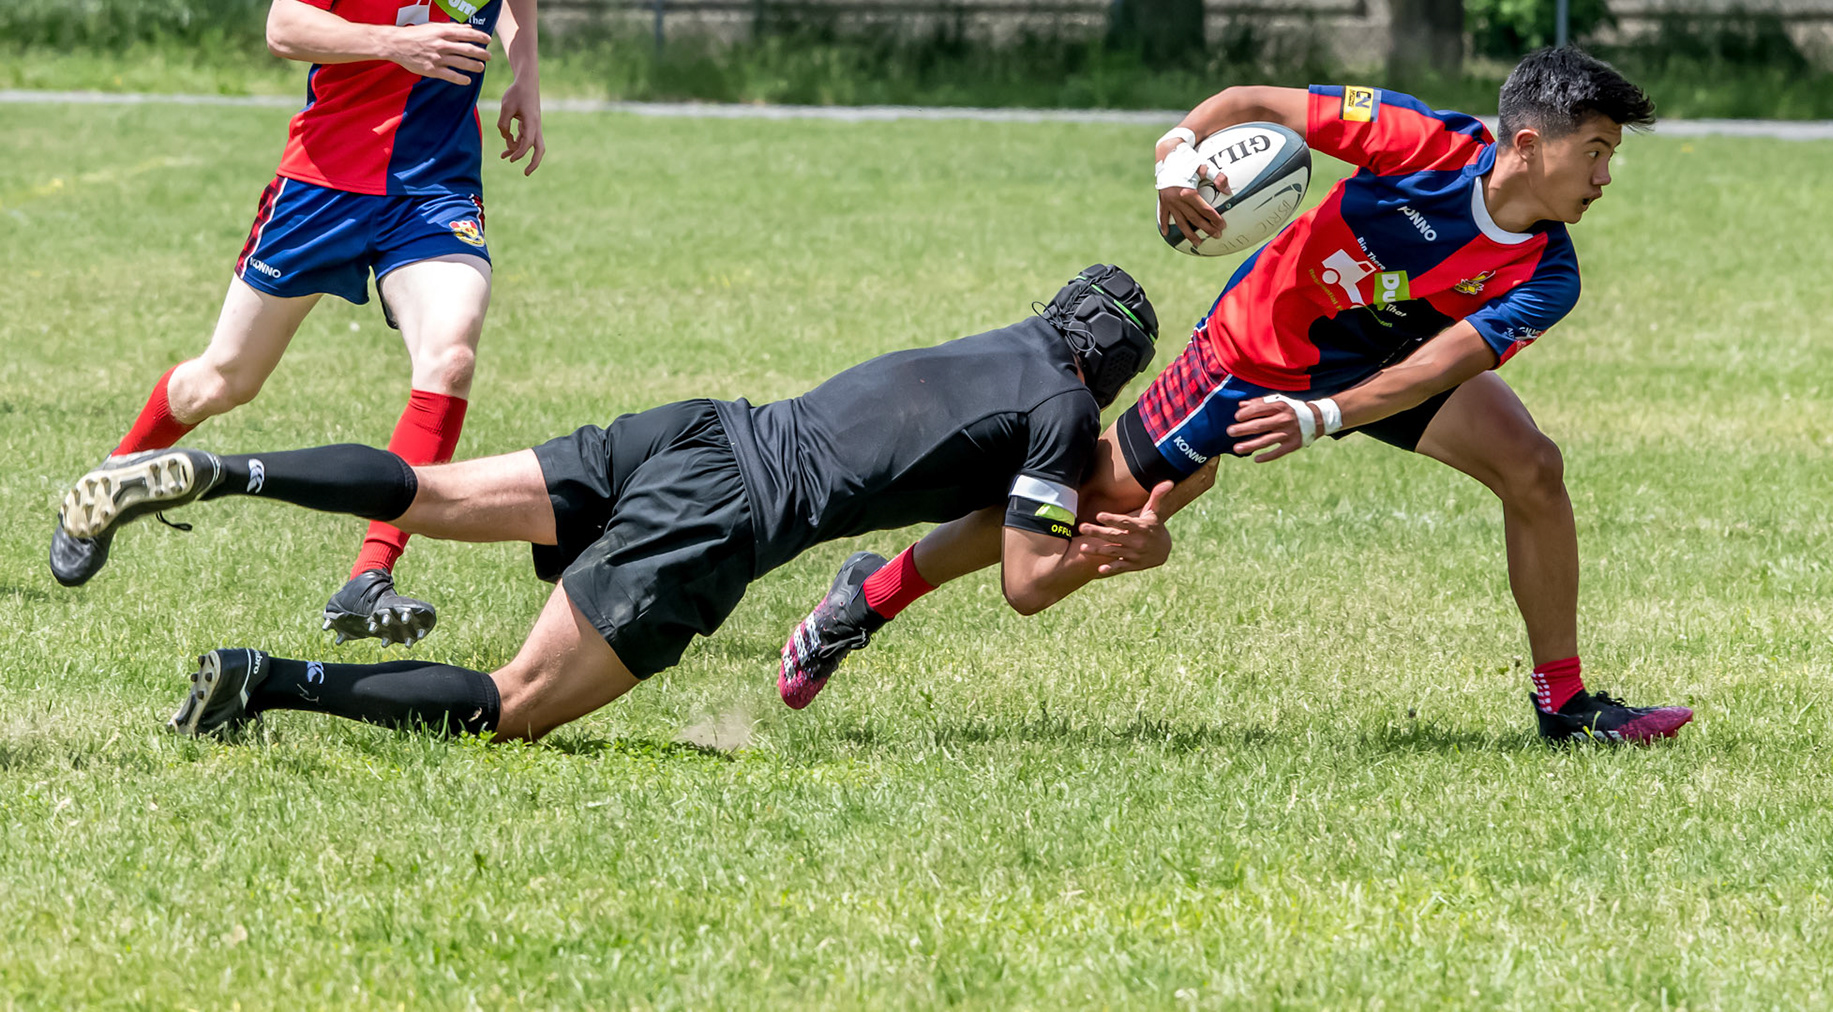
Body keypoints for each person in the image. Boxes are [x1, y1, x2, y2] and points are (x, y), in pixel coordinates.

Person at [780, 48, 1695, 745]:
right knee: (1102, 497)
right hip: (1258, 348)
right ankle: (871, 595)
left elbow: (1443, 364)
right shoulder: (1419, 143)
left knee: (1534, 469)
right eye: (1598, 152)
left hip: (1388, 358)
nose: (1606, 177)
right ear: (1529, 146)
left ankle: (1565, 703)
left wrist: (1326, 415)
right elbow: (1252, 104)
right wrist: (1177, 151)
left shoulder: (1548, 270)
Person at [55, 268, 1181, 741]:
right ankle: (268, 683)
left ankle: (225, 470)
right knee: (513, 707)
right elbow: (1028, 583)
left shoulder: (1002, 346)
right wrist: (1121, 550)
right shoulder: (1061, 417)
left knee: (431, 491)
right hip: (726, 515)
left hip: (697, 427)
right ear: (1116, 374)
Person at [49, 0, 547, 648]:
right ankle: (107, 482)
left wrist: (524, 73)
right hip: (324, 180)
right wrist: (390, 47)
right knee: (222, 383)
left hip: (434, 182)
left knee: (450, 352)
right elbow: (285, 25)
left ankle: (367, 578)